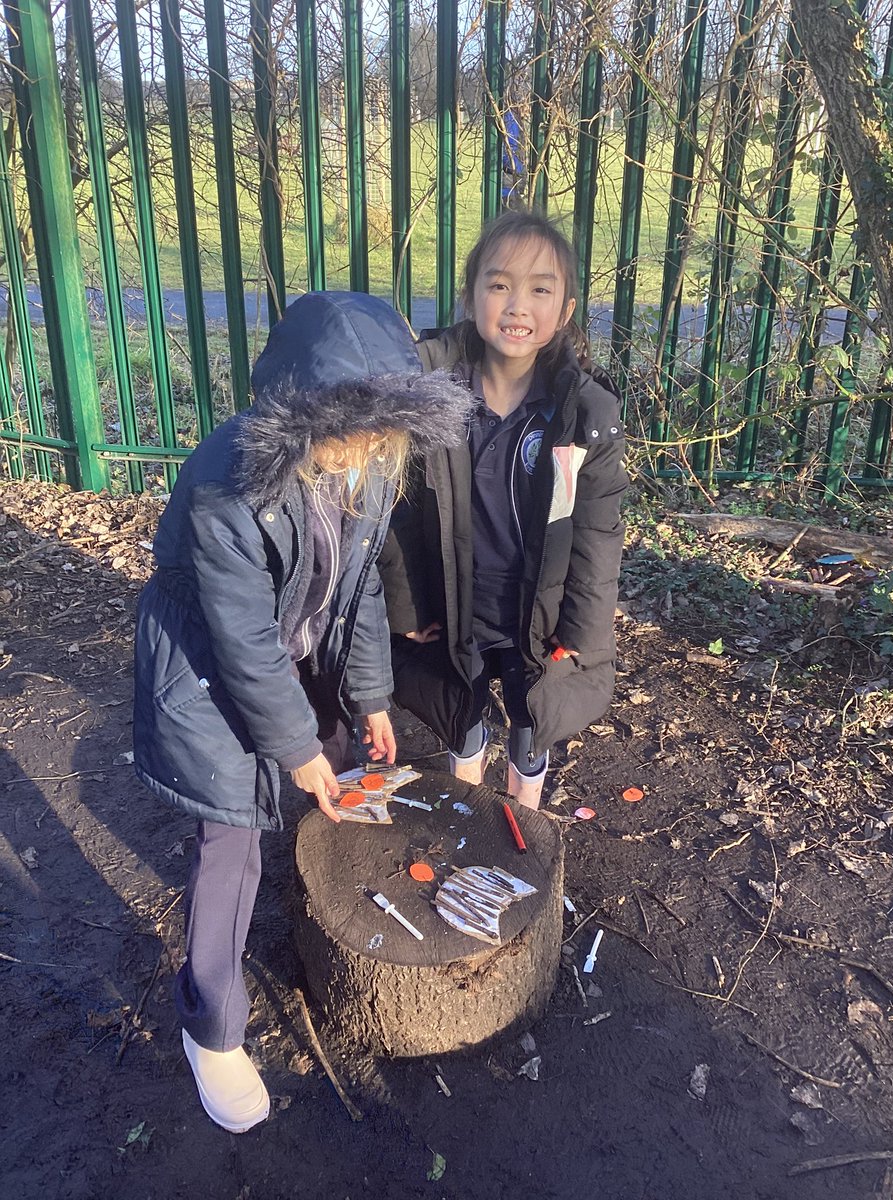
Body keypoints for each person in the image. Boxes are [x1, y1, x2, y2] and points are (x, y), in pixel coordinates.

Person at [132, 291, 469, 1133]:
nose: (360, 451)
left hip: (294, 637)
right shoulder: (228, 484)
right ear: (299, 414)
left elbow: (354, 597)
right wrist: (295, 750)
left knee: (335, 756)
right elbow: (241, 636)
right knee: (231, 833)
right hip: (206, 660)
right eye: (343, 430)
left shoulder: (371, 467)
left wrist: (372, 698)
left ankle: (338, 903)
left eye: (378, 431)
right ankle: (210, 1025)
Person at [381, 210, 627, 809]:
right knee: (459, 709)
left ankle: (522, 818)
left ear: (565, 309)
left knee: (530, 715)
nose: (518, 306)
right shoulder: (426, 393)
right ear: (471, 296)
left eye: (540, 289)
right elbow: (395, 509)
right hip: (452, 600)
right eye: (500, 286)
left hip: (535, 613)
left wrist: (583, 634)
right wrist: (405, 607)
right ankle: (468, 811)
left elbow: (598, 533)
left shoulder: (583, 415)